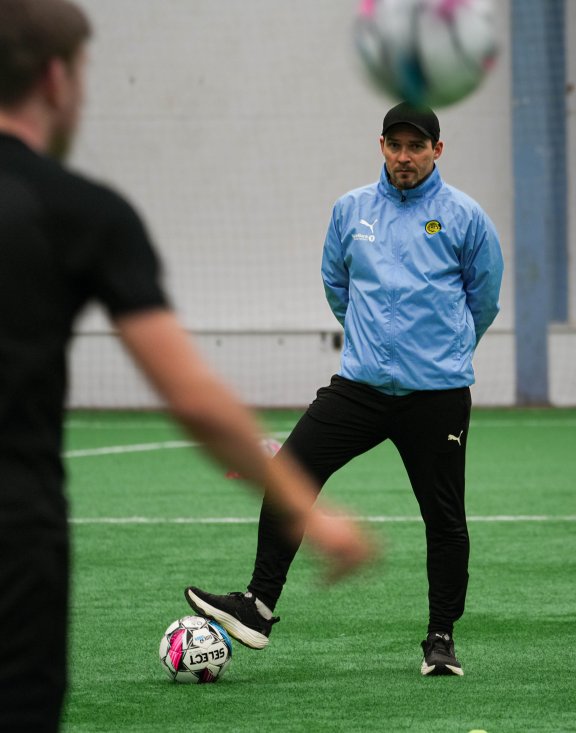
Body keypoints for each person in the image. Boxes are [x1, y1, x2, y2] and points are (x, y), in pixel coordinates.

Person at [0, 1, 375, 730]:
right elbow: (193, 398)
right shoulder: (85, 212)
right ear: (54, 79)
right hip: (15, 535)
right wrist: (311, 512)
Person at [186, 101, 504, 678]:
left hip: (437, 395)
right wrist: (372, 341)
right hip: (359, 386)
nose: (405, 156)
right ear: (380, 146)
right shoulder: (350, 210)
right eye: (395, 145)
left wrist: (446, 352)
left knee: (444, 518)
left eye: (417, 146)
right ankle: (257, 608)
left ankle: (440, 639)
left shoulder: (465, 216)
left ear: (438, 150)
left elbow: (484, 300)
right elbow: (338, 285)